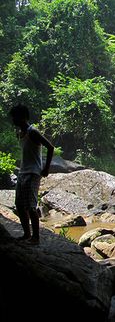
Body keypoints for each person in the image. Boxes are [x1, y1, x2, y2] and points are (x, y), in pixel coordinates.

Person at [10, 104, 54, 245]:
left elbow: (50, 147)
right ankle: (26, 234)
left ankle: (35, 238)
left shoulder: (32, 131)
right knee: (19, 205)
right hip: (23, 172)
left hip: (33, 172)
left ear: (23, 117)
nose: (13, 120)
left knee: (30, 205)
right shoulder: (20, 133)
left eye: (15, 117)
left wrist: (46, 168)